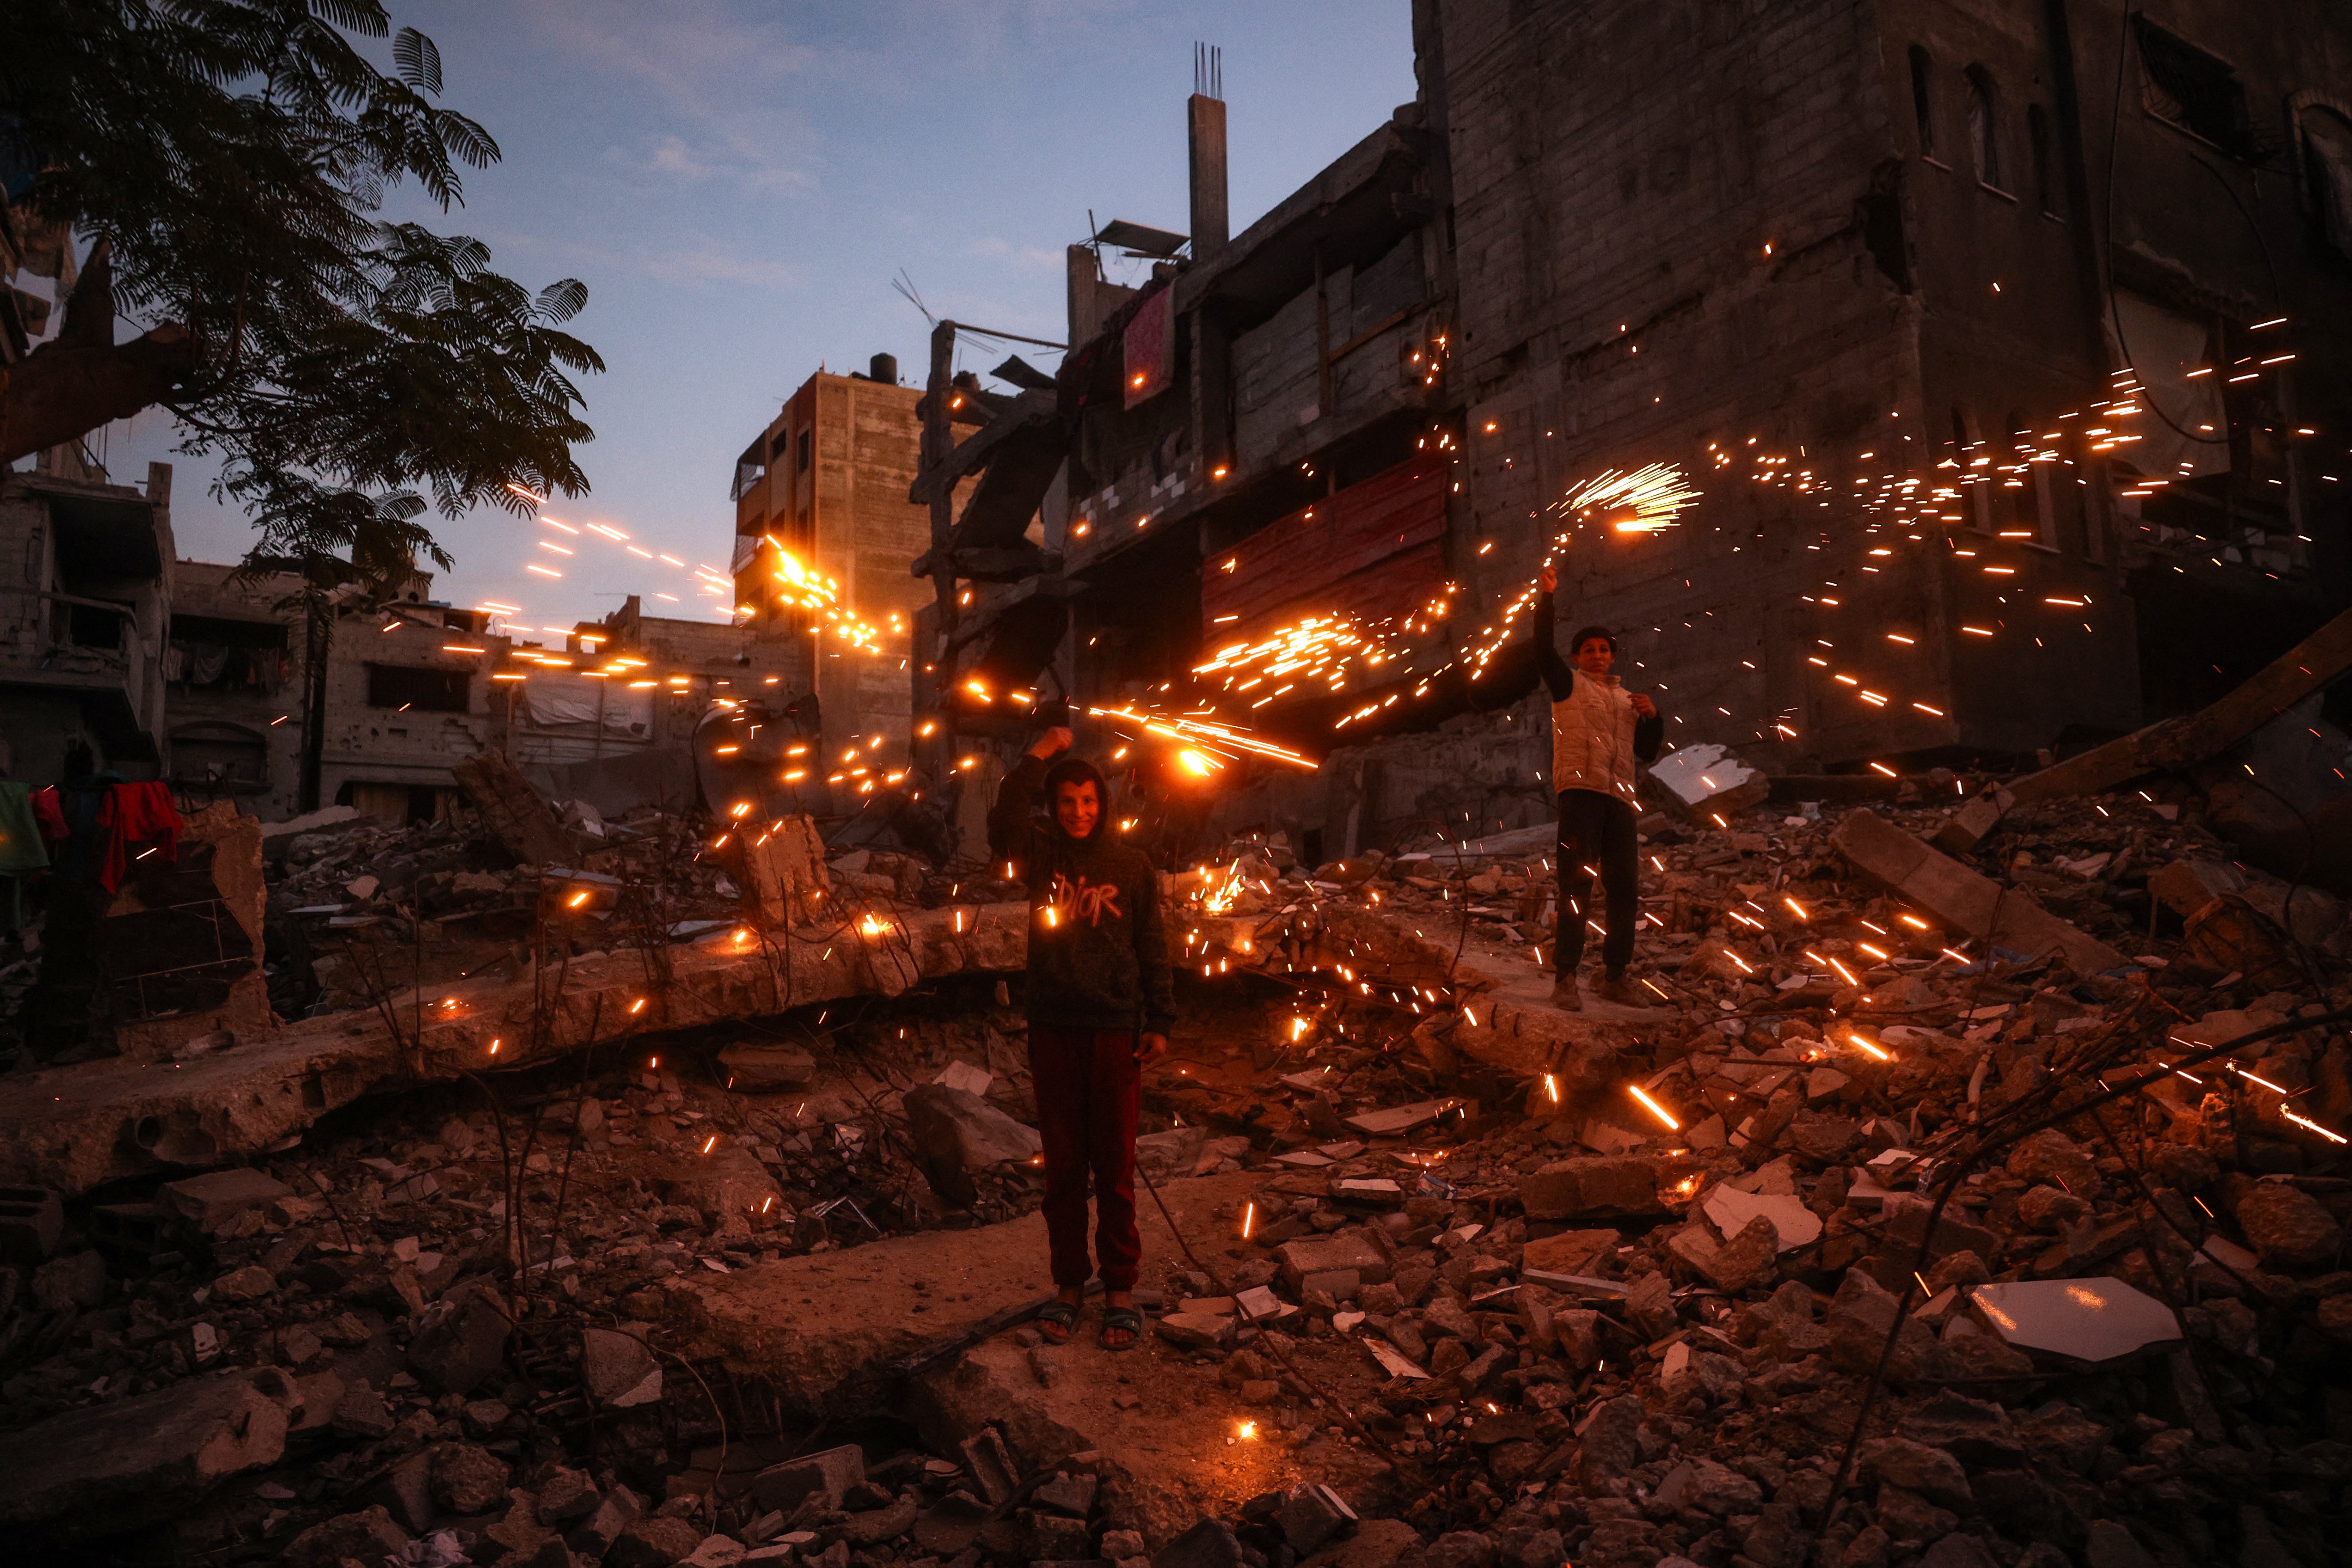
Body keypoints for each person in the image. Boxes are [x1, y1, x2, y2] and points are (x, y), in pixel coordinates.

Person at [987, 723, 1175, 1349]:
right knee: (1063, 1170)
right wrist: (1038, 754)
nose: (1078, 812)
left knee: (1115, 1169)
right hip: (1054, 1029)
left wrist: (1162, 1023)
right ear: (1055, 804)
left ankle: (1120, 1289)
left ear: (1104, 805)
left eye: (1088, 801)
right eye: (1067, 801)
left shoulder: (1132, 866)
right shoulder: (1043, 856)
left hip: (1116, 1031)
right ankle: (1070, 1286)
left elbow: (1154, 946)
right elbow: (1004, 820)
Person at [1533, 555, 1664, 1009]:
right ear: (1576, 658)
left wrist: (1653, 718)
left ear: (1613, 656)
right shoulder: (1567, 686)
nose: (1598, 656)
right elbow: (1540, 648)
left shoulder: (1630, 699)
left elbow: (1647, 752)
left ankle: (1615, 976)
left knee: (1624, 889)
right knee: (1576, 887)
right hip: (1580, 797)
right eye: (1589, 650)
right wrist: (1546, 596)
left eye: (1604, 650)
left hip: (1619, 802)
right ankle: (1566, 978)